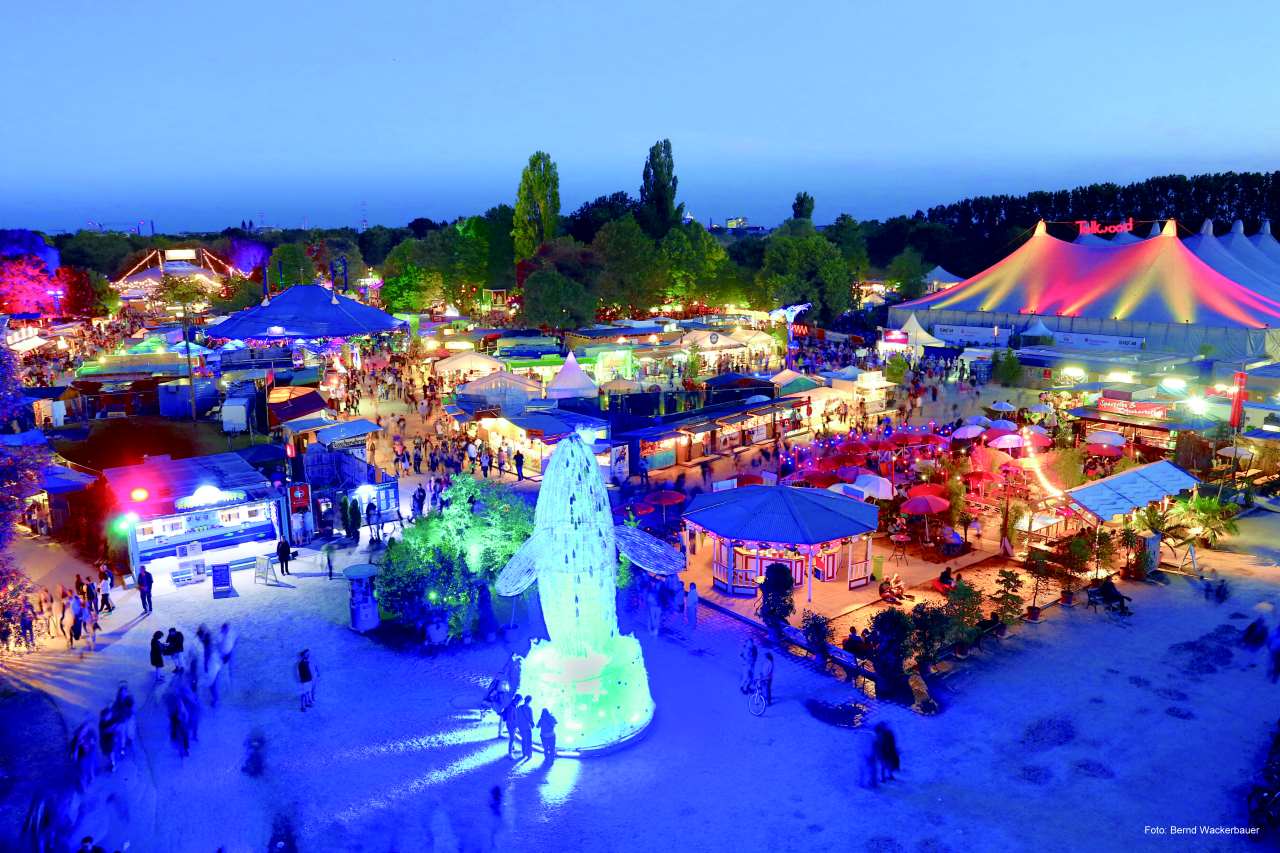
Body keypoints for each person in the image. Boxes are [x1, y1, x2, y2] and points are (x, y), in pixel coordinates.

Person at [517, 695, 535, 761]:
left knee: (524, 740)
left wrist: (518, 725)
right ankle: (529, 754)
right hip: (527, 727)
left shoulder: (519, 707)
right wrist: (532, 724)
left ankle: (524, 753)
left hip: (521, 726)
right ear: (530, 701)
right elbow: (530, 718)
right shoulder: (529, 708)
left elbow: (517, 717)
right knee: (529, 741)